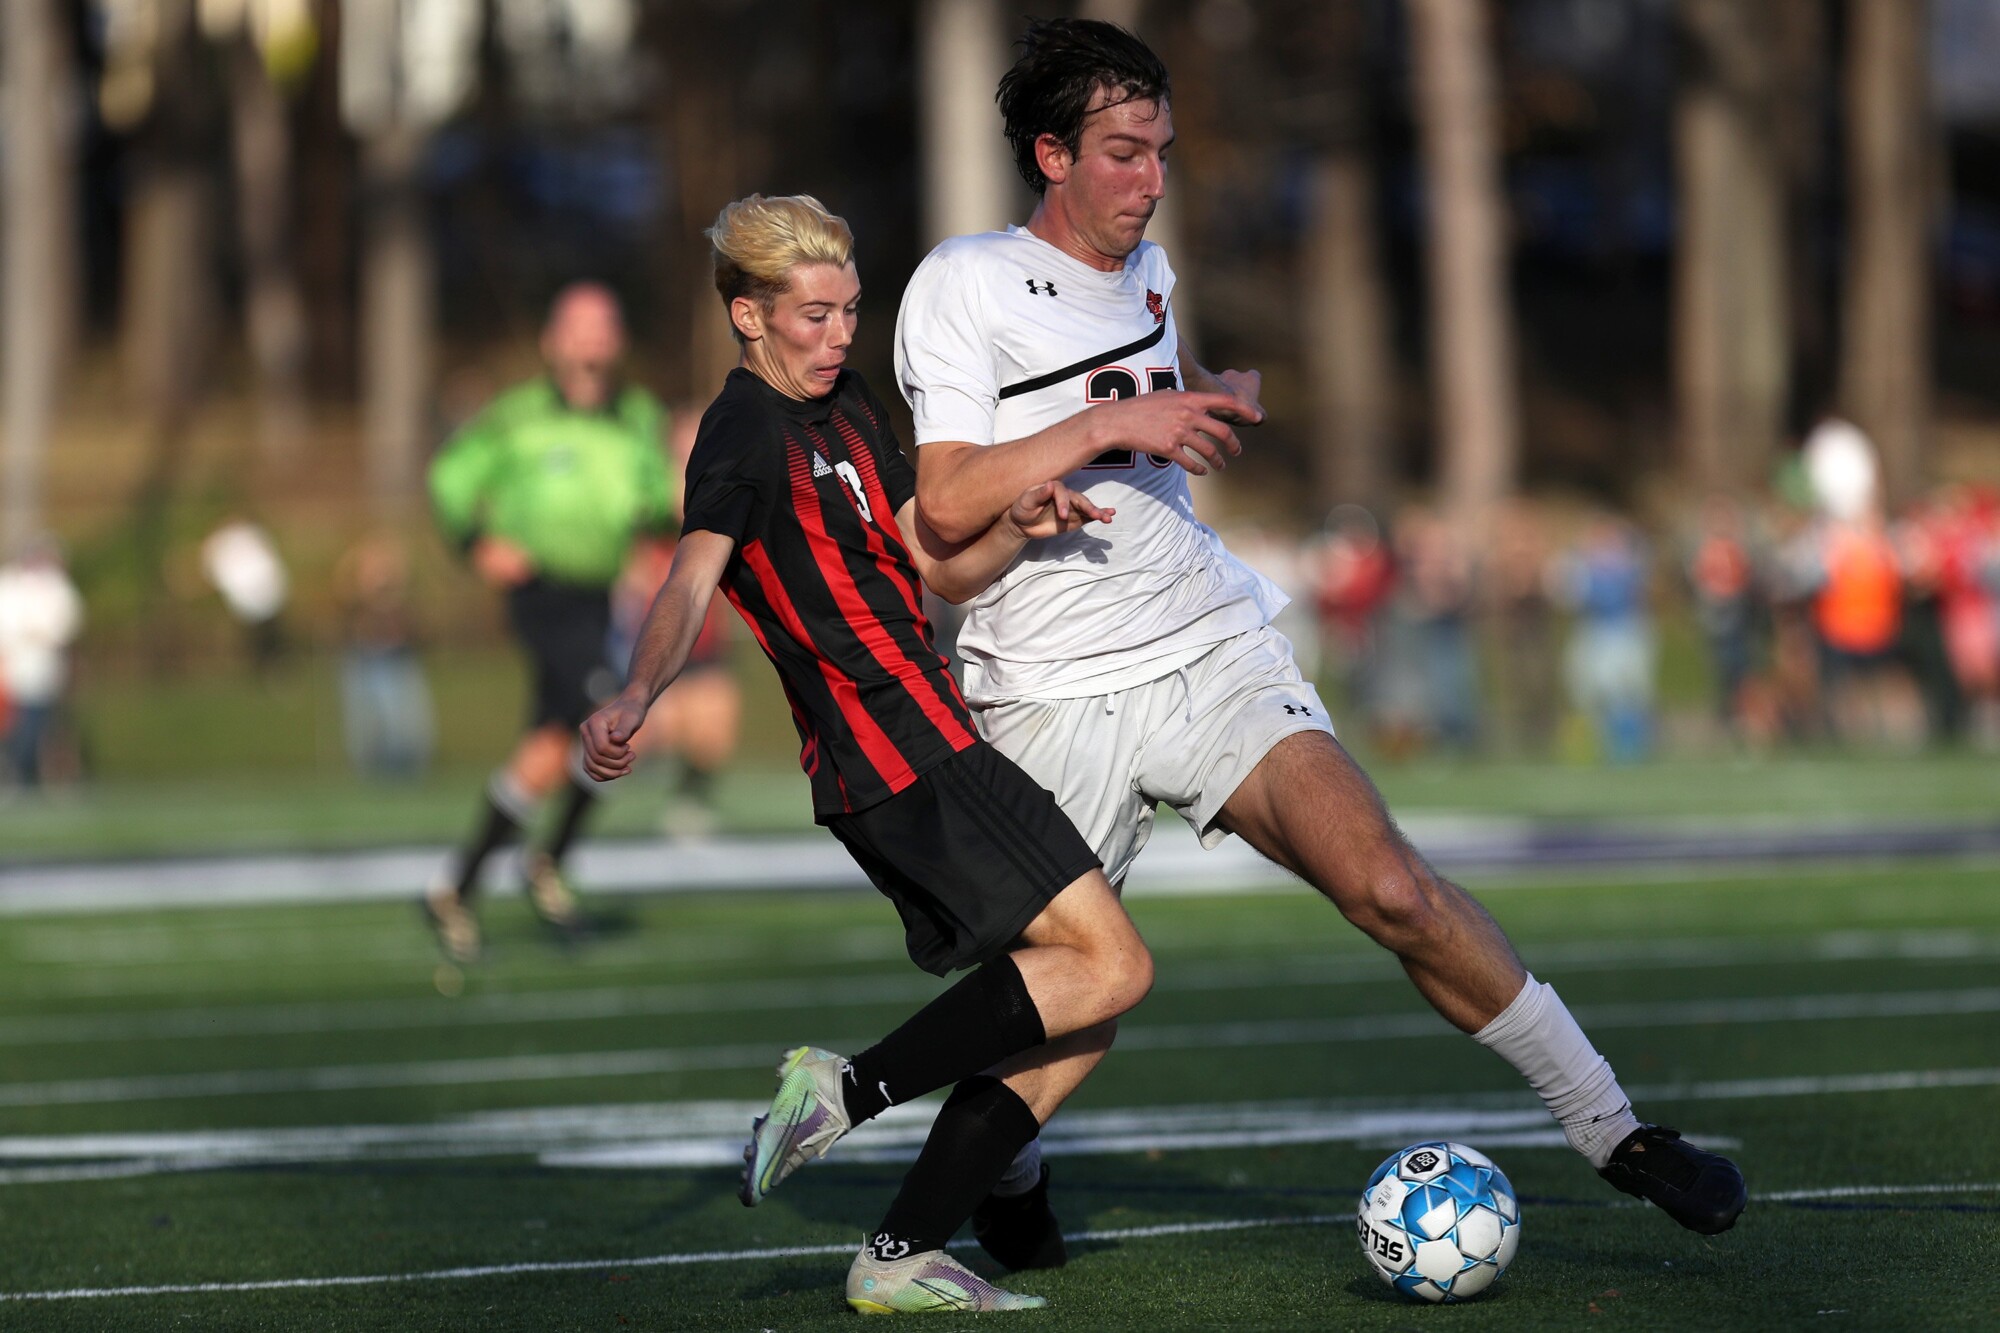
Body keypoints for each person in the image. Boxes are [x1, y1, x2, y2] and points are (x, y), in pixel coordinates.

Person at [894, 16, 1746, 1255]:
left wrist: (1213, 397)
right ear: (1049, 154)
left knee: (1388, 884)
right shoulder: (961, 280)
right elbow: (945, 502)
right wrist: (1105, 430)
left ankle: (1614, 1128)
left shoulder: (1148, 268)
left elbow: (1149, 387)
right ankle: (1008, 1173)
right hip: (1045, 687)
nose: (1151, 179)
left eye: (1163, 151)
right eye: (1124, 153)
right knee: (1068, 1004)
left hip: (1204, 640)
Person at [581, 194, 1152, 1315]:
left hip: (928, 733)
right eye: (812, 313)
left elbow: (925, 569)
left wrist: (1014, 528)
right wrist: (637, 691)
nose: (840, 332)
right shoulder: (741, 433)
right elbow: (693, 575)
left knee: (1086, 1005)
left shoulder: (848, 408)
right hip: (893, 750)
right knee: (1114, 964)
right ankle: (846, 1090)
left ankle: (900, 1248)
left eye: (849, 308)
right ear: (747, 316)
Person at [424, 282, 675, 962]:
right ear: (551, 341)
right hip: (541, 592)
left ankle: (455, 886)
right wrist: (476, 539)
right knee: (615, 721)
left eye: (604, 324)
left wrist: (667, 527)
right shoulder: (517, 415)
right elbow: (450, 475)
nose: (593, 337)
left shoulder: (637, 416)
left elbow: (655, 501)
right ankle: (549, 862)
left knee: (546, 750)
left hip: (600, 599)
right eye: (579, 324)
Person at [0, 537, 84, 789]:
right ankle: (16, 773)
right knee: (13, 725)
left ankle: (28, 774)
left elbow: (64, 624)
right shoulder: (9, 584)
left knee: (38, 724)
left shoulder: (55, 586)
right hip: (11, 668)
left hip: (43, 669)